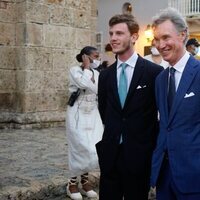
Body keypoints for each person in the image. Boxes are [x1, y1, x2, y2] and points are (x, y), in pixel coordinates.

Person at [96, 14, 163, 200]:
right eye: (111, 33)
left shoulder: (154, 73)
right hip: (110, 156)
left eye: (119, 33)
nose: (113, 38)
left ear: (134, 37)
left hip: (140, 157)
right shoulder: (105, 75)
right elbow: (105, 112)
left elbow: (159, 114)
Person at [150, 7, 200, 200]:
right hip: (164, 177)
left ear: (182, 34)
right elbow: (165, 125)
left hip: (194, 176)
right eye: (157, 39)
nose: (160, 45)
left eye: (165, 37)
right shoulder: (161, 79)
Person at [66, 46, 103, 200]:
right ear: (85, 57)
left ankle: (85, 181)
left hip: (93, 112)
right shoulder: (75, 70)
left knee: (93, 146)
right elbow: (83, 84)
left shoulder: (97, 73)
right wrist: (86, 66)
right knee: (79, 146)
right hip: (77, 113)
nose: (97, 59)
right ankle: (72, 183)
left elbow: (97, 89)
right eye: (94, 56)